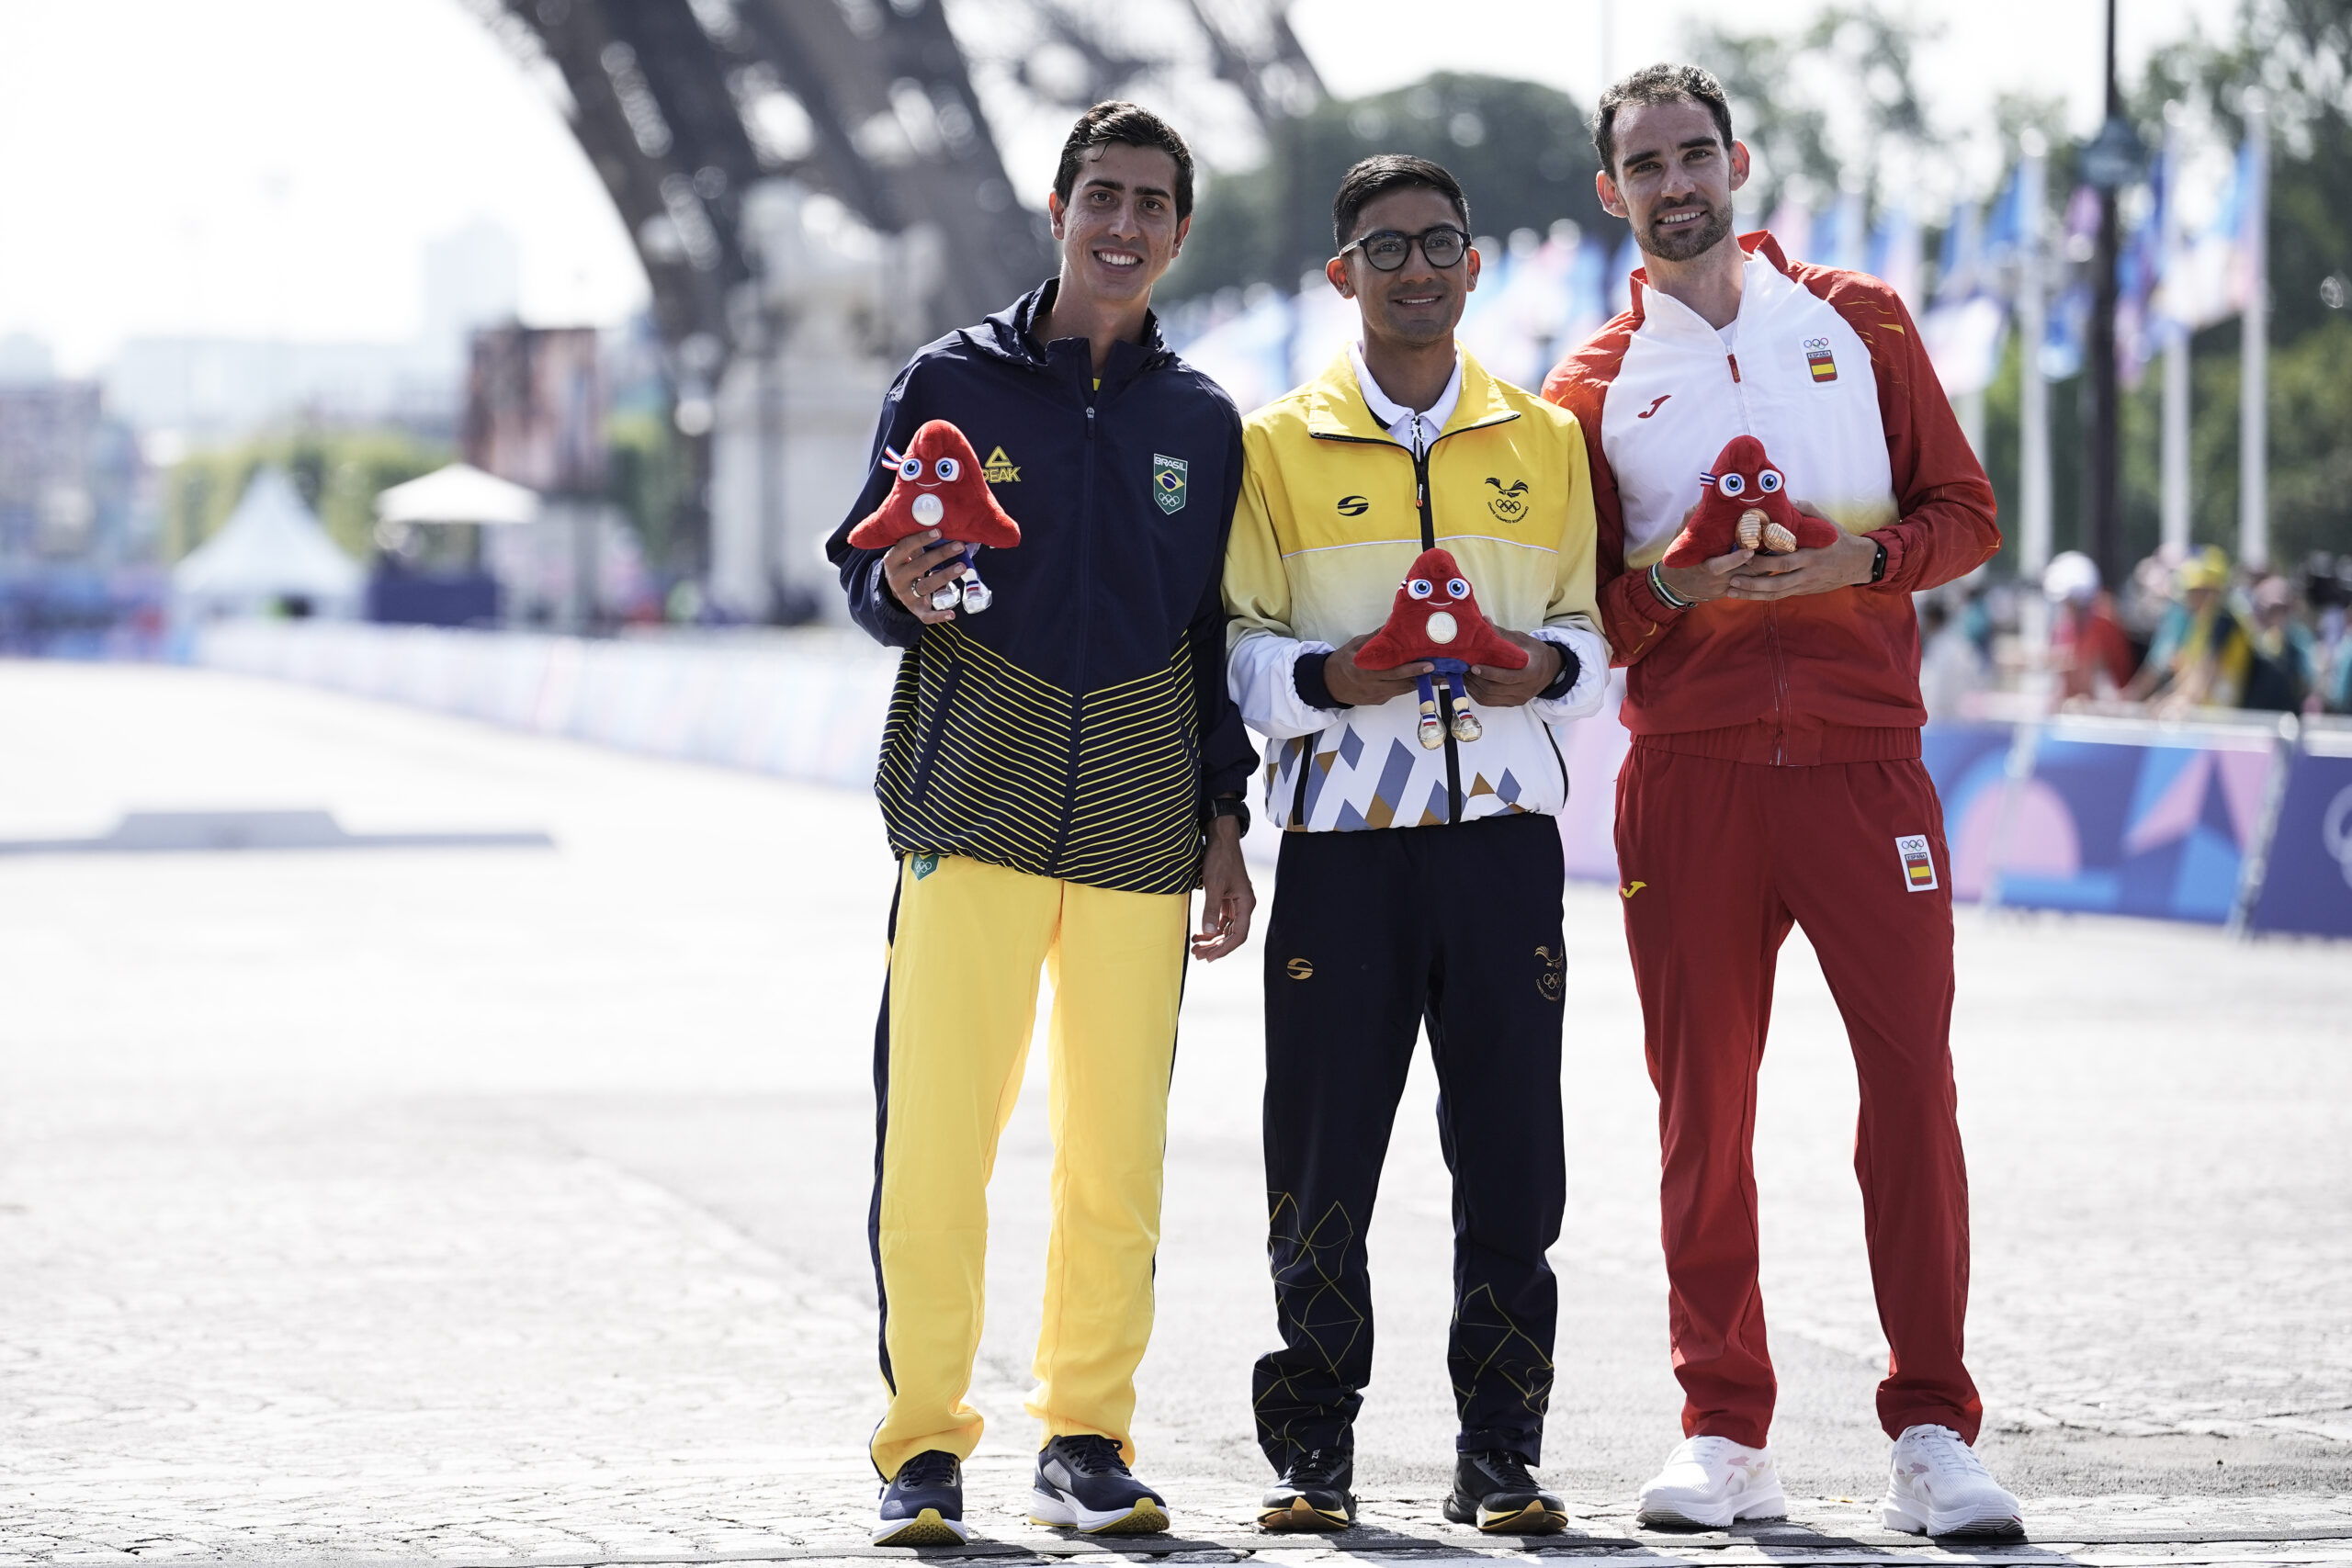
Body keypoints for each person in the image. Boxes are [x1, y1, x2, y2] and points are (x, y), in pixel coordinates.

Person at [1543, 65, 2024, 1539]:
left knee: (1913, 1094)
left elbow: (1967, 516)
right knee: (1705, 1110)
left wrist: (1851, 567)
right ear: (1609, 190)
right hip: (1687, 776)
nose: (1675, 179)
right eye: (1645, 161)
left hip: (1865, 757)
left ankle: (1933, 1426)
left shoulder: (1861, 319)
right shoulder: (1586, 384)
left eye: (1696, 152)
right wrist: (1680, 579)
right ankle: (1722, 1426)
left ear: (1737, 161)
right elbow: (1586, 617)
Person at [824, 100, 1258, 1548]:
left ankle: (1085, 1436)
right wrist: (908, 585)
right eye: (1102, 198)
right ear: (1058, 210)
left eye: (1151, 205)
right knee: (938, 1143)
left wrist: (1223, 816)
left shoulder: (1204, 421)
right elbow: (863, 566)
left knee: (1114, 1157)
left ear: (1178, 232)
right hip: (973, 810)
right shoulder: (948, 379)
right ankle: (923, 1444)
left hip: (1141, 827)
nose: (1123, 226)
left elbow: (1211, 635)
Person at [1222, 154, 1608, 1537]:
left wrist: (1539, 670)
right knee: (1323, 1155)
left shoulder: (1547, 438)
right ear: (1343, 275)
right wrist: (1340, 675)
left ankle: (1500, 1447)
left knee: (1514, 1154)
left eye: (1440, 242)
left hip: (1504, 846)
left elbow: (1592, 639)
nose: (1416, 267)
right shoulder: (1271, 446)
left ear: (1475, 264)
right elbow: (1238, 655)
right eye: (1385, 248)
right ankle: (1312, 1445)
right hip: (1343, 845)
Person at [2042, 551, 2134, 705]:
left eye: (2071, 602)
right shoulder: (2065, 626)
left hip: (2107, 705)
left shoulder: (2104, 623)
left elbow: (2099, 674)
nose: (2067, 608)